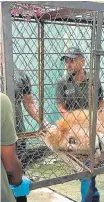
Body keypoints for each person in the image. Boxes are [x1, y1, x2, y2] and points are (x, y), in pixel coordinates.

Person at [55, 46, 104, 202]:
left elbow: (100, 103)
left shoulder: (93, 80)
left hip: (93, 130)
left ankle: (93, 197)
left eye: (71, 60)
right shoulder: (62, 82)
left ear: (82, 61)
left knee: (90, 170)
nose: (68, 64)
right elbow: (61, 107)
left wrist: (103, 116)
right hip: (75, 133)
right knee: (86, 172)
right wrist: (76, 120)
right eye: (66, 60)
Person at [14, 64, 51, 202]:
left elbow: (29, 103)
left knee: (17, 178)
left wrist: (44, 122)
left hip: (17, 135)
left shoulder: (19, 75)